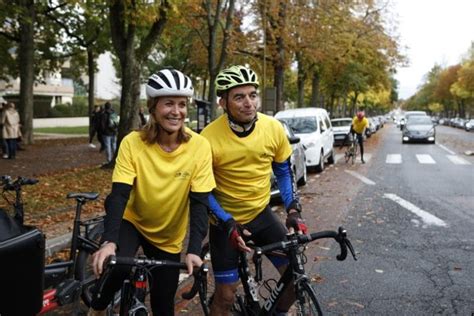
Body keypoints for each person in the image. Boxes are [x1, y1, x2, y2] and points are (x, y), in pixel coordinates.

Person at [88, 69, 215, 315]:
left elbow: (199, 204)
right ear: (153, 107)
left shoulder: (200, 147)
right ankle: (98, 307)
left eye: (181, 104)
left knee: (163, 306)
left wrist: (194, 251)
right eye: (168, 103)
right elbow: (119, 195)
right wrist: (109, 241)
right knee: (119, 266)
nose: (176, 111)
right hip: (133, 221)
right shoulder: (132, 143)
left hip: (168, 234)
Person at [200, 65, 307, 315]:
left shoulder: (273, 128)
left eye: (252, 95)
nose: (249, 103)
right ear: (223, 102)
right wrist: (226, 222)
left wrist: (292, 207)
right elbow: (202, 191)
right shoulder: (206, 139)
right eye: (239, 97)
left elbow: (283, 171)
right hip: (225, 222)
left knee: (294, 277)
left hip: (261, 214)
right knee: (226, 297)